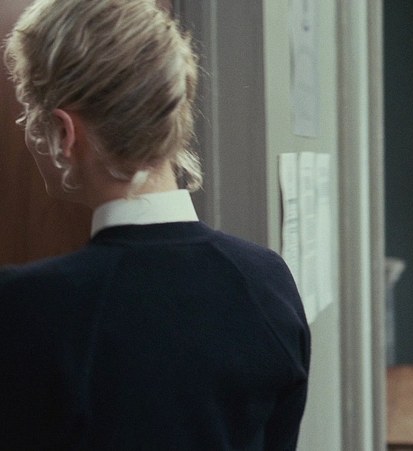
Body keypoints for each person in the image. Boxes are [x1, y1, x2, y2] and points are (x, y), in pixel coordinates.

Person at [1, 0, 310, 449]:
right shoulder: (268, 282)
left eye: (29, 110)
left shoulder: (25, 308)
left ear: (66, 133)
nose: (26, 126)